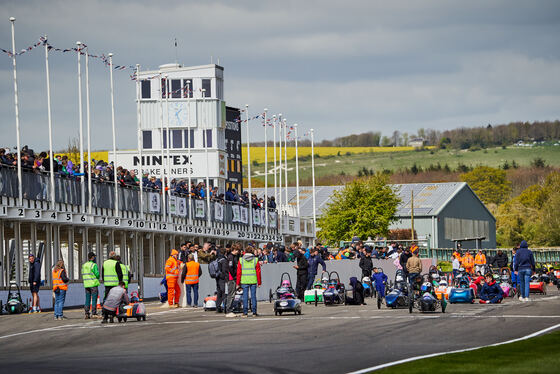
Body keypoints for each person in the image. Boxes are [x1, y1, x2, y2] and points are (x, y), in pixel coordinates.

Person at [236, 247, 262, 317]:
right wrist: (259, 282)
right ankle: (254, 312)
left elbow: (238, 272)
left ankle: (245, 312)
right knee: (253, 296)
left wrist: (238, 283)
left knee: (245, 297)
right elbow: (258, 272)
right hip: (253, 280)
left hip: (244, 280)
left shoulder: (241, 260)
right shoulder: (255, 260)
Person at [82, 252, 100, 319]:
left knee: (87, 299)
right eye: (94, 257)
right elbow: (97, 274)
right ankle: (94, 313)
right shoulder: (93, 265)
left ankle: (87, 313)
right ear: (92, 257)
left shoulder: (84, 265)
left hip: (86, 284)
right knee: (94, 299)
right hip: (93, 284)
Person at [226, 244, 240, 314]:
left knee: (233, 294)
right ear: (234, 250)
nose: (238, 252)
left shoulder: (234, 257)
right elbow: (230, 268)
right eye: (237, 250)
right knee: (231, 294)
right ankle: (228, 309)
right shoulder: (230, 257)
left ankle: (230, 308)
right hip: (231, 278)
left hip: (233, 278)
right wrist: (235, 276)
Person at [215, 248, 229, 313]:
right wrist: (227, 278)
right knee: (224, 293)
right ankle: (225, 307)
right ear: (225, 253)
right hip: (222, 278)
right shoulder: (224, 260)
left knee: (219, 293)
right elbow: (224, 270)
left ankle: (218, 307)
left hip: (217, 278)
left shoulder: (217, 259)